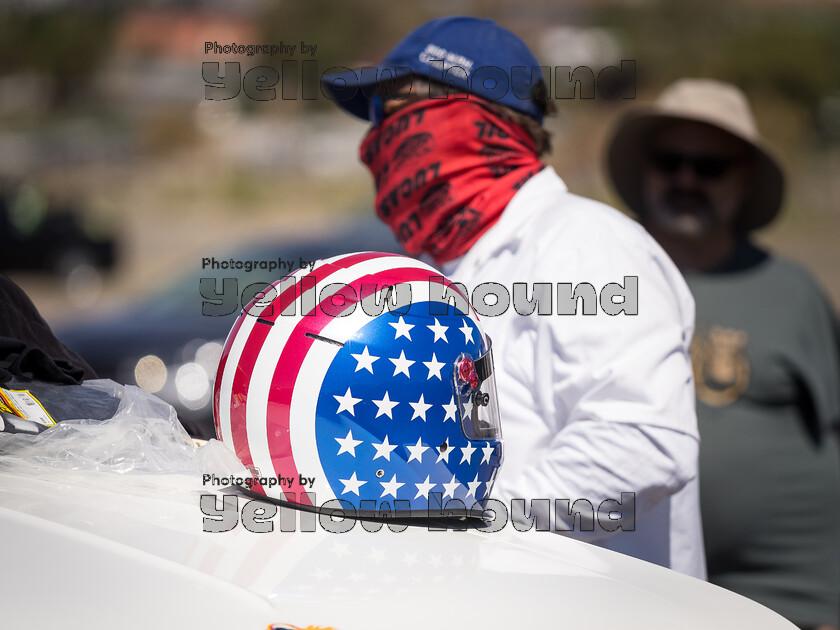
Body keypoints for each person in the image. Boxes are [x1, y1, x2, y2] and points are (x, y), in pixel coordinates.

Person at [320, 17, 705, 578]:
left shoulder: (583, 244)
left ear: (465, 120)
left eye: (393, 111)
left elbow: (644, 443)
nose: (373, 143)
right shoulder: (440, 267)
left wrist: (473, 530)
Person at [606, 78, 840, 629]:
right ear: (645, 170)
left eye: (710, 167)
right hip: (630, 582)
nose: (687, 179)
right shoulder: (597, 276)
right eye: (670, 160)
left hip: (790, 593)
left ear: (744, 180)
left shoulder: (791, 290)